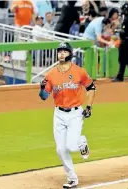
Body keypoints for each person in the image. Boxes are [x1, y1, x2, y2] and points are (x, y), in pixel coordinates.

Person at [39, 42, 96, 188]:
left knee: (71, 145)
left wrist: (89, 106)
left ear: (70, 53)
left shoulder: (79, 71)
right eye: (59, 52)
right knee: (60, 149)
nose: (61, 54)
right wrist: (41, 88)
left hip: (75, 113)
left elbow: (91, 87)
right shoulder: (51, 74)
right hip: (58, 113)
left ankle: (82, 141)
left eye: (64, 51)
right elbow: (44, 96)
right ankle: (72, 178)